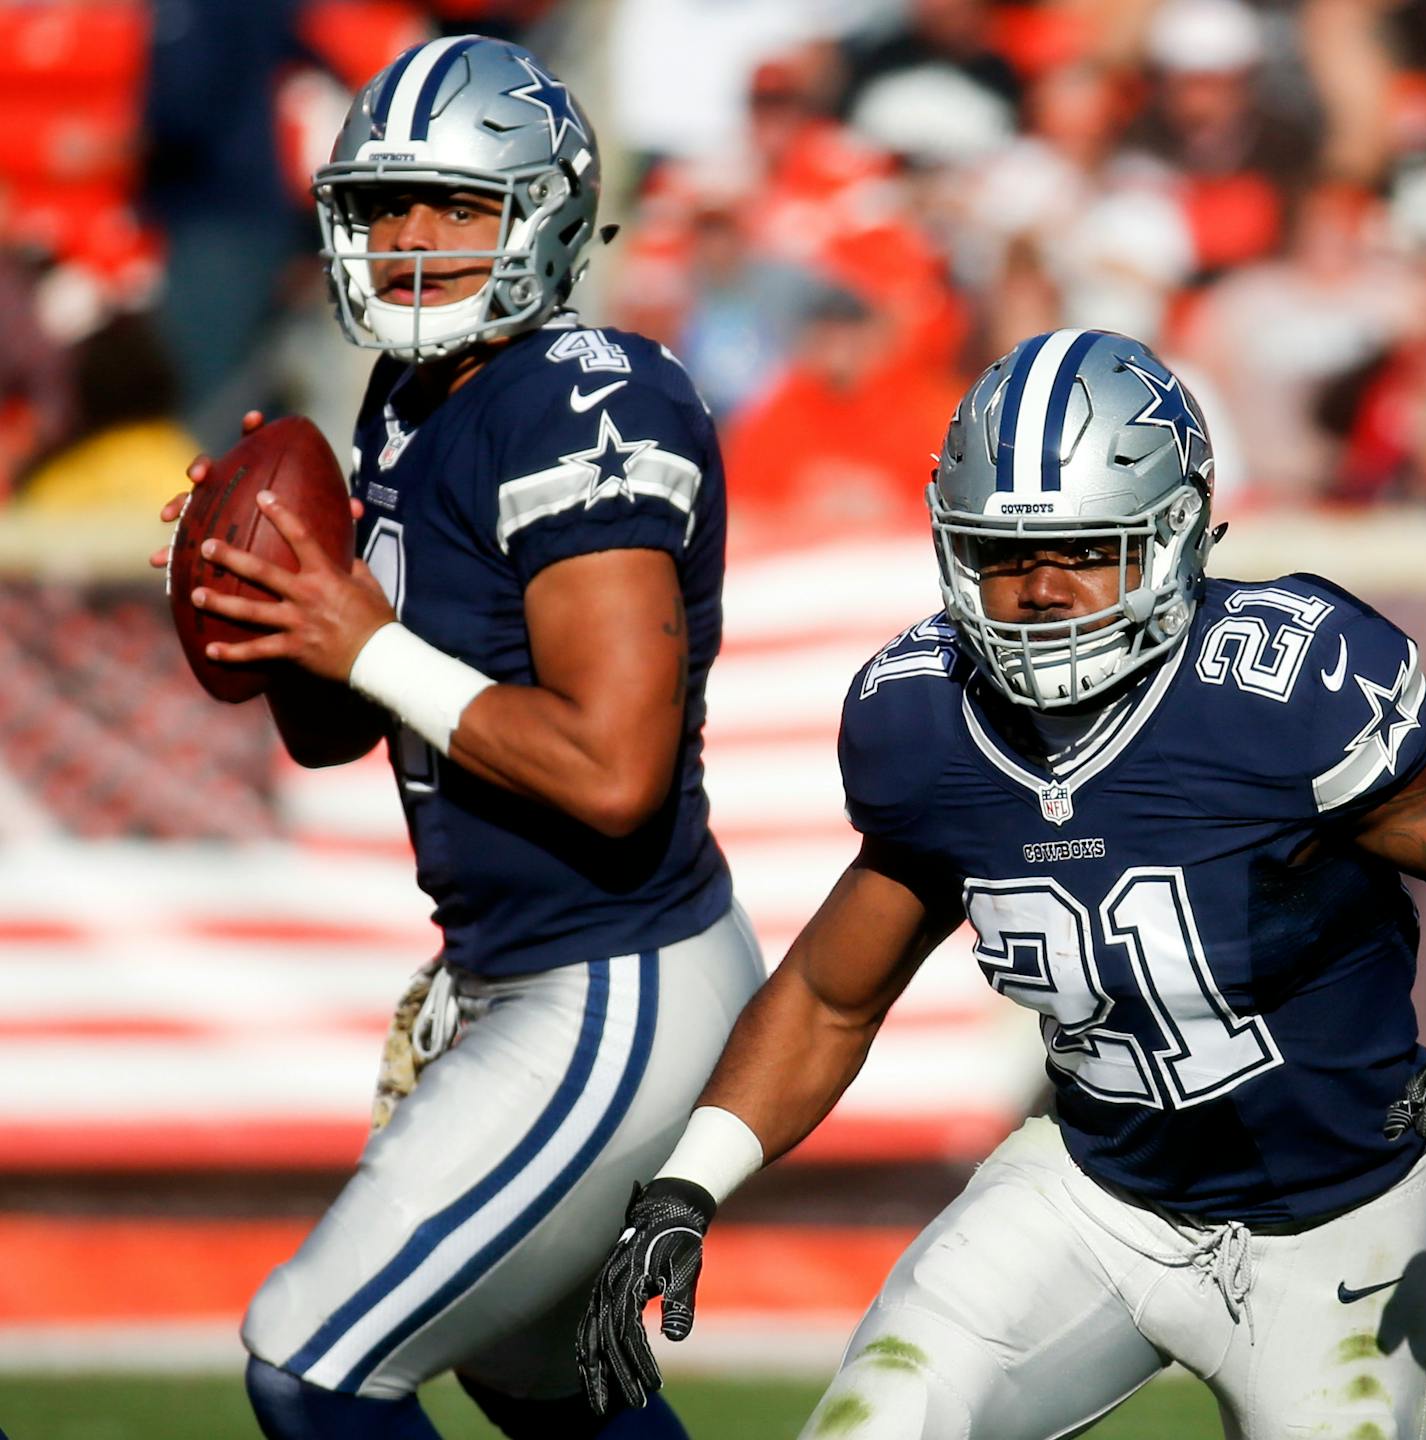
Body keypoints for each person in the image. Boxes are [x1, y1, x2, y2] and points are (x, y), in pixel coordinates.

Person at [578, 330, 1426, 1438]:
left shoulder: (1284, 692)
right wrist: (686, 1187)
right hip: (1094, 1196)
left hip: (1339, 1227)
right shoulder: (924, 720)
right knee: (873, 1423)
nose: (1035, 591)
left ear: (1174, 536)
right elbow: (835, 994)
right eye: (999, 554)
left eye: (1082, 550)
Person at [150, 37, 760, 1440]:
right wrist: (274, 611)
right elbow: (335, 731)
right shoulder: (412, 402)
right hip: (520, 965)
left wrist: (360, 634)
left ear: (544, 214)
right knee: (545, 1388)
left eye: (458, 208)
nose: (414, 242)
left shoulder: (586, 396)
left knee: (312, 1360)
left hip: (614, 976)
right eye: (386, 209)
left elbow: (613, 776)